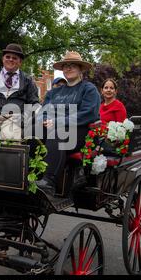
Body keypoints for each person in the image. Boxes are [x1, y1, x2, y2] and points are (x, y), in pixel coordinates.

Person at [35, 51, 100, 195]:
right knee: (30, 131)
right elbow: (43, 111)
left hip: (80, 131)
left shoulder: (88, 89)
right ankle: (26, 174)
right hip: (52, 127)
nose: (68, 68)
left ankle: (49, 182)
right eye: (65, 66)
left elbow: (89, 113)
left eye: (73, 66)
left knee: (59, 133)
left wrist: (58, 121)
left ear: (80, 69)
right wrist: (43, 120)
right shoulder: (54, 92)